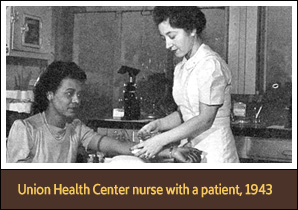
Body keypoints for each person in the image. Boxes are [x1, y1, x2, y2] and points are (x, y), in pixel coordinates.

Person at [6, 61, 201, 163]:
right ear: (49, 95)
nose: (76, 100)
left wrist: (172, 151)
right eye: (69, 94)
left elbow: (119, 146)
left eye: (79, 95)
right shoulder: (25, 129)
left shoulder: (75, 128)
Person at [131, 7, 239, 163]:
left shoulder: (211, 65)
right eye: (164, 38)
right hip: (191, 150)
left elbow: (205, 119)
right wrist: (159, 124)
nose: (168, 44)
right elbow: (186, 113)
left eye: (172, 36)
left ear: (193, 30)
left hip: (216, 152)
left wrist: (160, 140)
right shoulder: (182, 66)